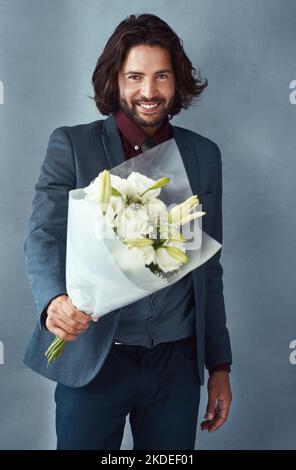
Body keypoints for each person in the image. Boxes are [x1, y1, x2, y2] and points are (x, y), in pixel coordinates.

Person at [24, 13, 232, 450]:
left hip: (176, 365)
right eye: (135, 76)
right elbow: (44, 235)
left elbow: (209, 270)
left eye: (161, 76)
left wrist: (219, 366)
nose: (149, 91)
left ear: (177, 81)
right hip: (96, 357)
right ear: (114, 81)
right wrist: (52, 301)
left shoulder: (203, 155)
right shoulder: (72, 145)